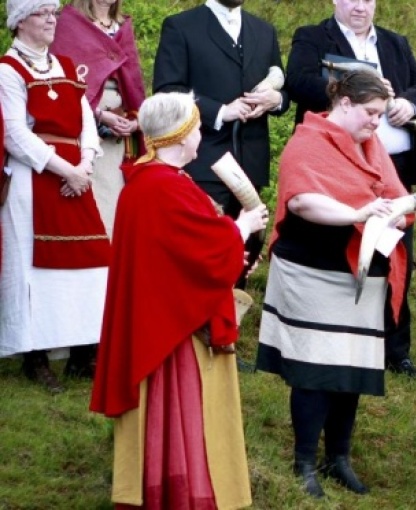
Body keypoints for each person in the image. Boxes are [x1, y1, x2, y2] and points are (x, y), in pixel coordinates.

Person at [90, 92, 268, 509]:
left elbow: (176, 252)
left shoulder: (147, 182)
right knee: (180, 415)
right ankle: (178, 495)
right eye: (197, 127)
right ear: (181, 133)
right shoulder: (163, 186)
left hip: (159, 316)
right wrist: (241, 228)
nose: (201, 136)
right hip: (172, 332)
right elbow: (199, 250)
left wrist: (227, 243)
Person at [255, 69, 413, 499]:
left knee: (353, 367)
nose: (375, 123)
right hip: (312, 270)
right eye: (370, 113)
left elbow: (395, 193)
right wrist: (359, 214)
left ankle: (337, 457)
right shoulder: (308, 141)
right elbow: (303, 200)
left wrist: (398, 211)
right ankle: (304, 460)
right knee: (315, 371)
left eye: (380, 114)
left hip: (360, 273)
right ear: (344, 103)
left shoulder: (371, 144)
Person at [285, 0, 416, 378]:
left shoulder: (394, 42)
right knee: (350, 248)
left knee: (398, 252)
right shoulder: (313, 36)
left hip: (394, 167)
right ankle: (348, 332)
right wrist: (358, 90)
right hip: (339, 162)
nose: (360, 6)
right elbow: (299, 82)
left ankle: (395, 347)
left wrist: (405, 103)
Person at [0, 0, 108, 393]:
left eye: (54, 13)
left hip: (75, 175)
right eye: (42, 13)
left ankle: (83, 354)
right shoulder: (7, 71)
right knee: (33, 270)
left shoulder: (62, 64)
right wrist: (67, 170)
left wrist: (87, 164)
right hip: (33, 179)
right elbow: (15, 134)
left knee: (91, 262)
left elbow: (86, 122)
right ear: (19, 21)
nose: (51, 20)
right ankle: (35, 357)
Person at [153, 0, 285, 287]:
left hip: (250, 164)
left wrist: (276, 100)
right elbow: (167, 89)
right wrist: (221, 112)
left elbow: (281, 88)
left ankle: (229, 328)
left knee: (239, 264)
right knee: (197, 262)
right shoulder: (181, 26)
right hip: (202, 163)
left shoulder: (264, 31)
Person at [51, 0, 146, 239]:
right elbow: (60, 82)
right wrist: (100, 115)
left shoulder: (122, 26)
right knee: (89, 202)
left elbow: (133, 84)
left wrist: (135, 120)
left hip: (119, 133)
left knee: (115, 201)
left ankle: (111, 265)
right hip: (81, 128)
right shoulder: (68, 23)